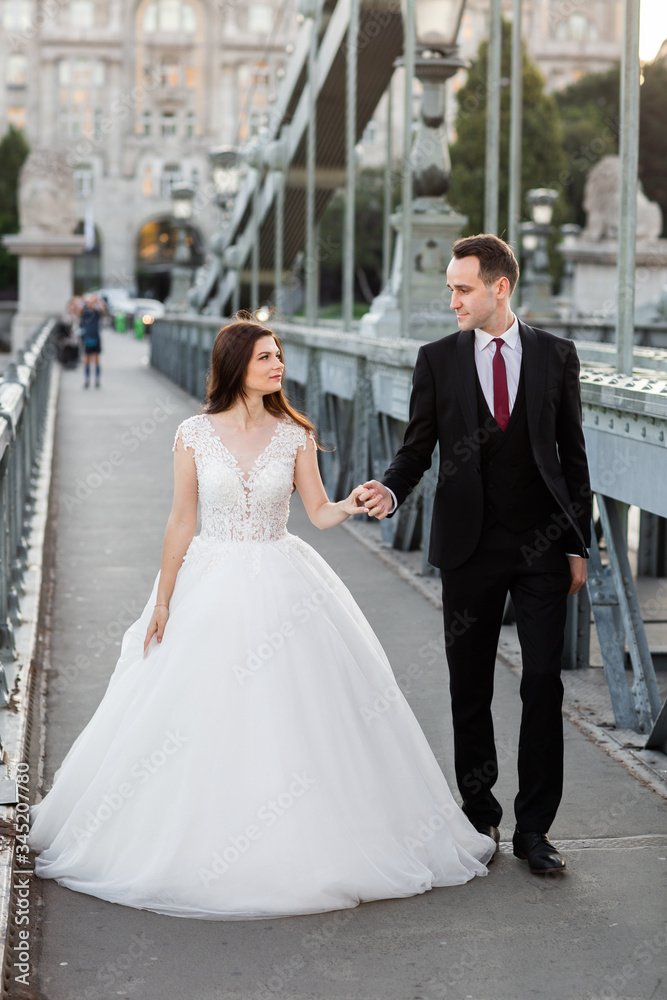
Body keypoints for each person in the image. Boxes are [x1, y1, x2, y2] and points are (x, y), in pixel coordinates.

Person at [29, 318, 495, 920]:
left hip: (284, 580)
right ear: (236, 367)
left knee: (294, 711)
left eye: (278, 355)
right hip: (209, 581)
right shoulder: (193, 434)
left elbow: (319, 513)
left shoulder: (295, 434)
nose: (278, 366)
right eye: (265, 358)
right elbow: (181, 521)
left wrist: (354, 503)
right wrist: (164, 600)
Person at [360, 235, 591, 876]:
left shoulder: (556, 355)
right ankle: (480, 813)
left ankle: (535, 829)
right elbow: (417, 448)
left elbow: (573, 457)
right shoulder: (437, 360)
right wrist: (390, 489)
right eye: (450, 289)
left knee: (543, 680)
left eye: (463, 289)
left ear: (500, 287)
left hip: (543, 546)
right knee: (470, 685)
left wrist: (579, 543)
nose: (453, 301)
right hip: (469, 547)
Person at [77, 293, 105, 388]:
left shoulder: (96, 312)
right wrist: (83, 300)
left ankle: (97, 380)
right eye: (89, 302)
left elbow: (103, 309)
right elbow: (77, 309)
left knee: (96, 360)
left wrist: (97, 300)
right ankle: (87, 380)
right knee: (87, 360)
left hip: (96, 336)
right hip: (86, 337)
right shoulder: (84, 312)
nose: (90, 304)